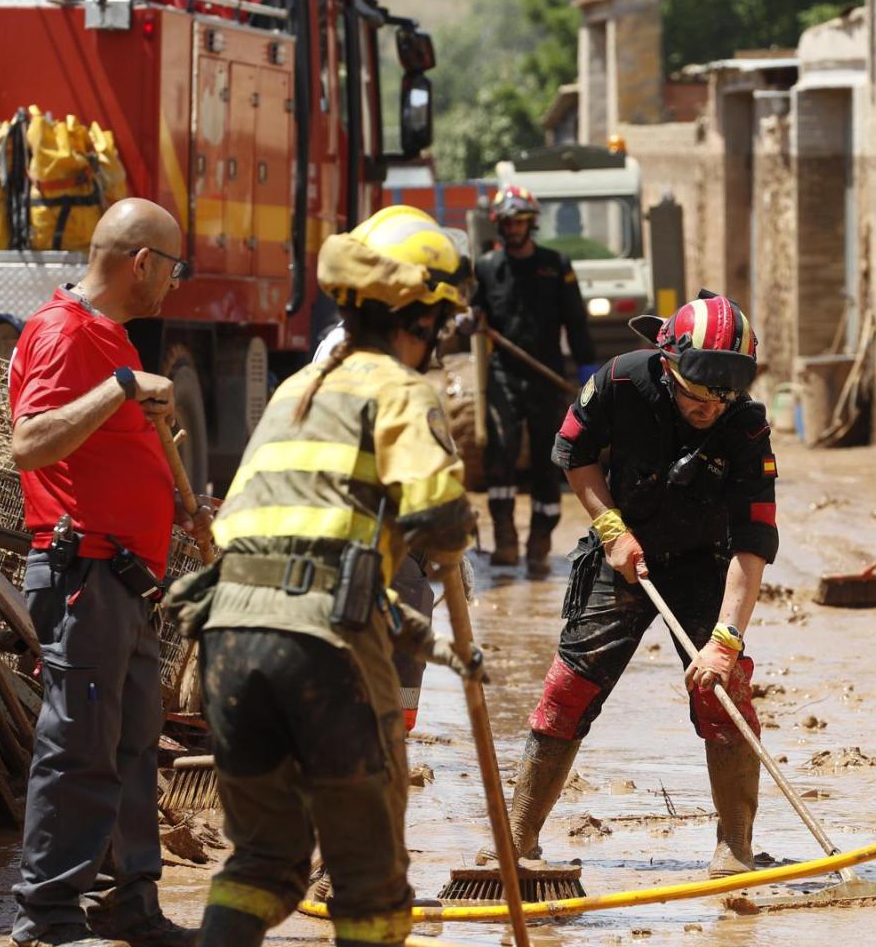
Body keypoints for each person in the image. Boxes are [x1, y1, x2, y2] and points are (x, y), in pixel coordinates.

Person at [193, 207, 486, 947]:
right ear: (420, 318)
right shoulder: (400, 389)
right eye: (441, 324)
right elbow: (443, 523)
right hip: (323, 645)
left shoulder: (296, 391)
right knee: (371, 887)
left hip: (227, 641)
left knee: (262, 864)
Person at [488, 291, 777, 879]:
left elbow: (754, 539)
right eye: (699, 394)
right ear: (668, 363)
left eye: (725, 396)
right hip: (625, 549)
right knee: (568, 688)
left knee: (723, 694)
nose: (710, 408)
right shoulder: (621, 380)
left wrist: (726, 641)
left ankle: (735, 846)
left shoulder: (746, 427)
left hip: (704, 561)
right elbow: (574, 451)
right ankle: (518, 839)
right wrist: (611, 527)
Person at [6, 198, 204, 947]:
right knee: (79, 747)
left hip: (122, 579)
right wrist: (120, 387)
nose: (175, 285)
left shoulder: (110, 337)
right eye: (174, 268)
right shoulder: (64, 334)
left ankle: (129, 904)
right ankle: (48, 917)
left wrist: (179, 505)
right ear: (141, 262)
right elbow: (30, 444)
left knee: (128, 745)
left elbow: (107, 452)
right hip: (83, 573)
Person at [473, 184, 595, 576]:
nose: (513, 229)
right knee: (501, 454)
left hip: (546, 376)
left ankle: (540, 543)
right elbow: (471, 313)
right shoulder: (487, 269)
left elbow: (576, 323)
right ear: (499, 225)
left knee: (549, 460)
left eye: (519, 222)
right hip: (503, 375)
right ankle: (505, 539)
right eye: (506, 223)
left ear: (531, 224)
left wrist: (586, 374)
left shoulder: (555, 266)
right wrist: (470, 322)